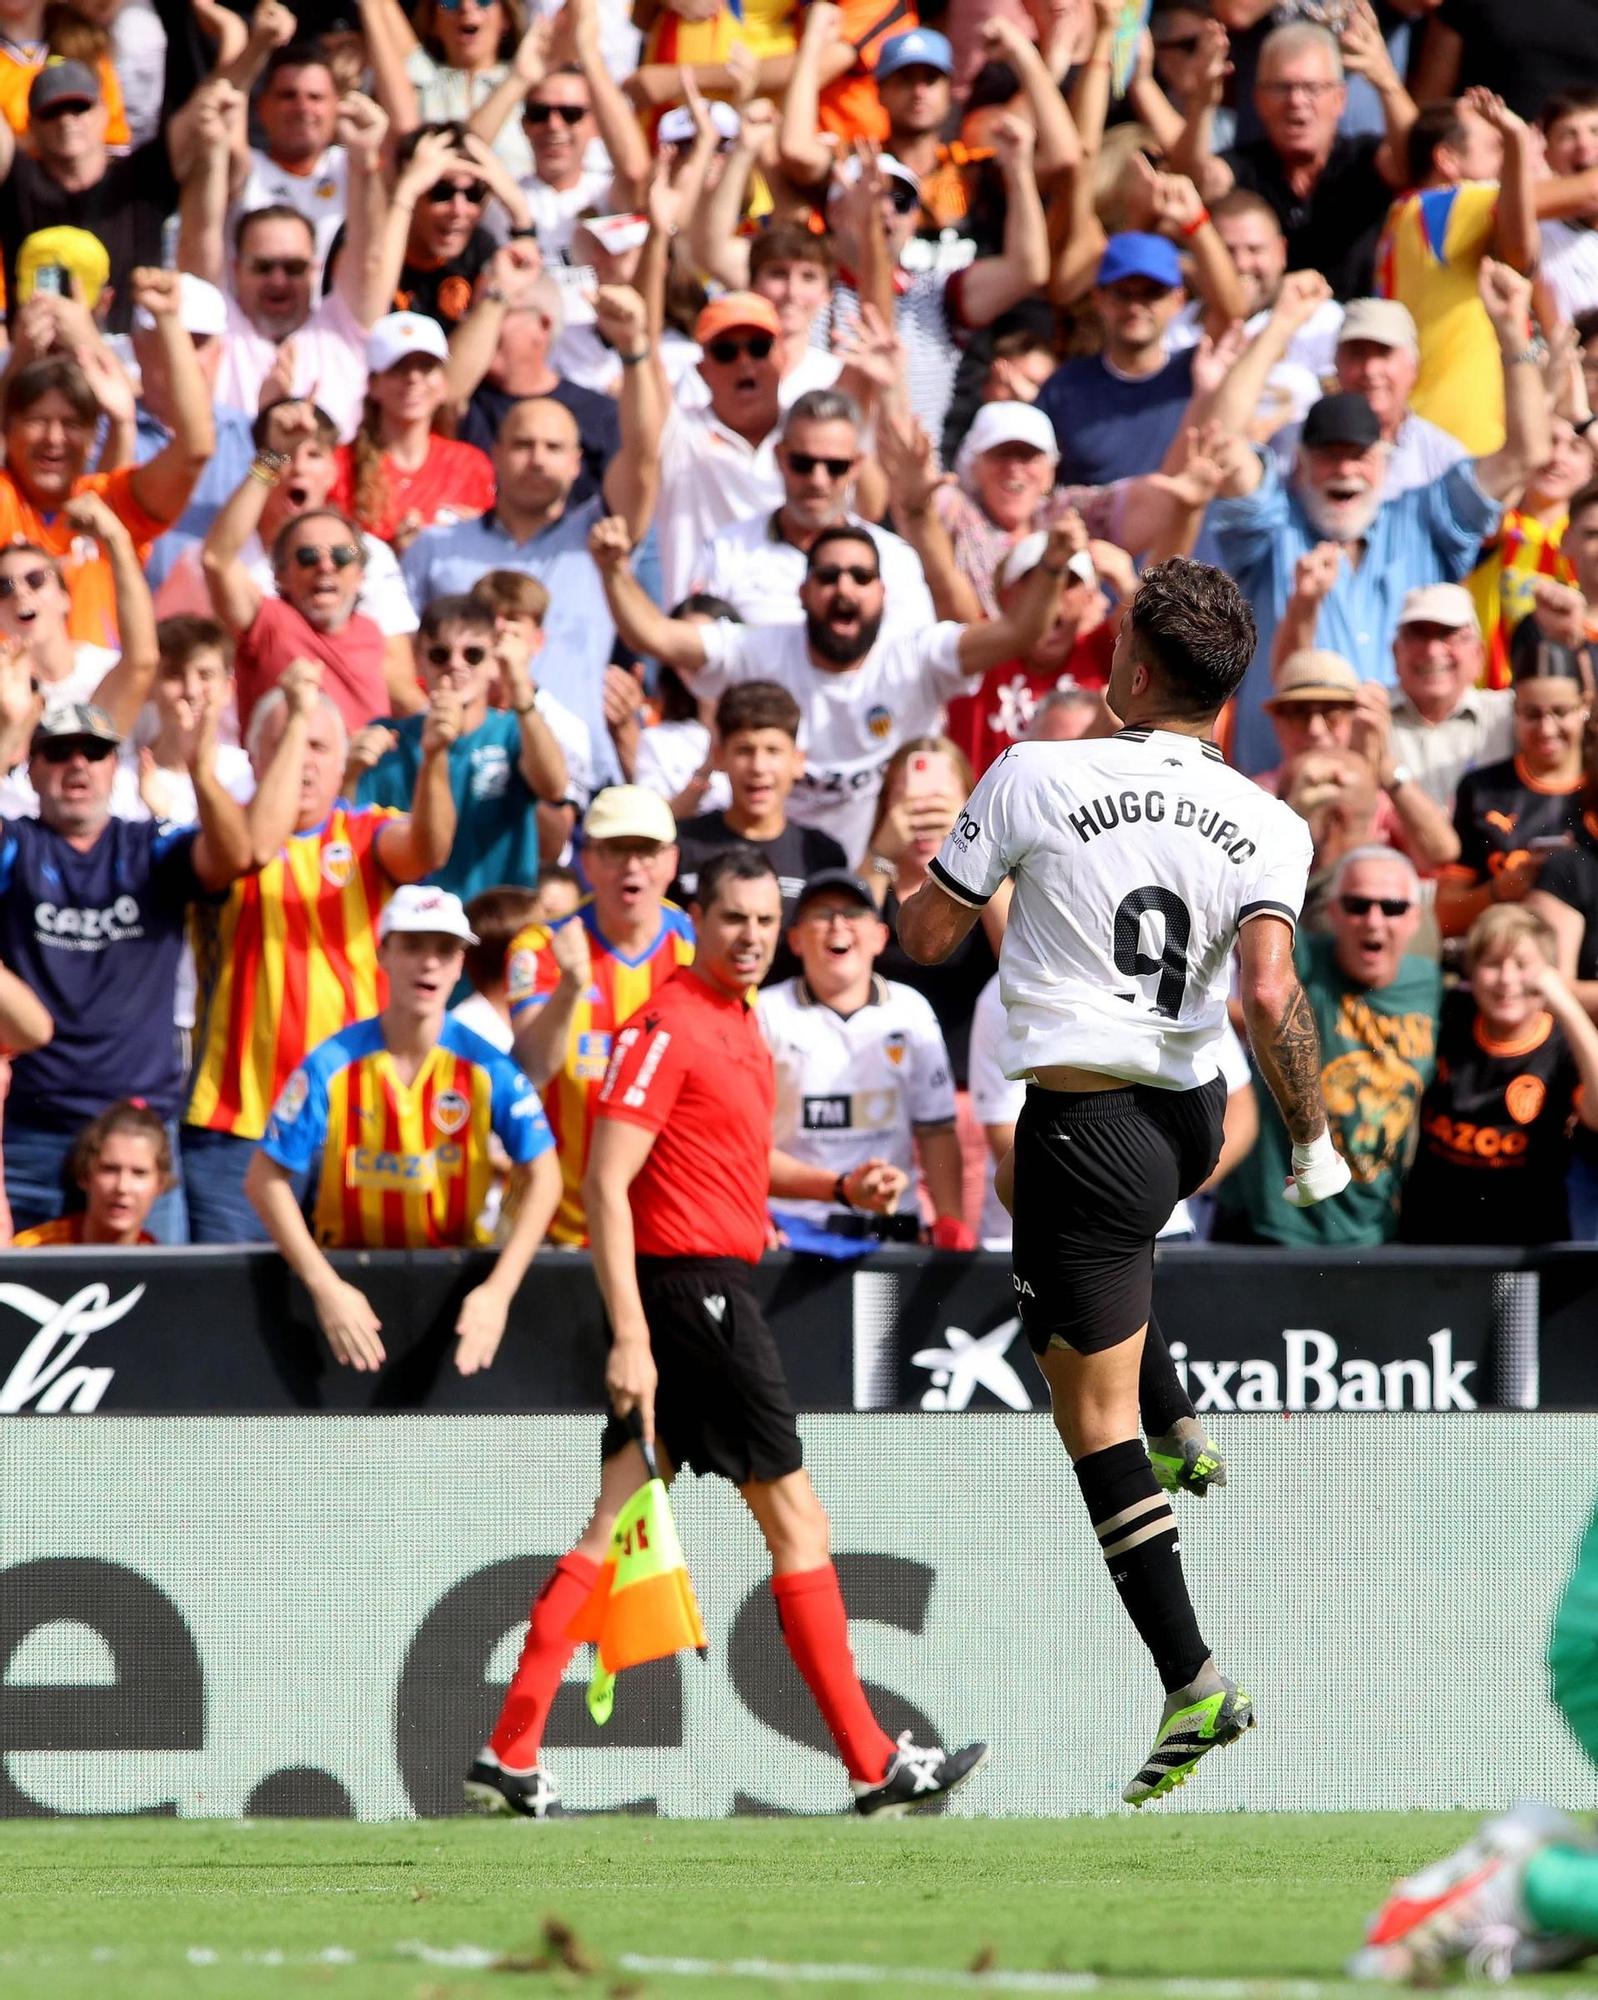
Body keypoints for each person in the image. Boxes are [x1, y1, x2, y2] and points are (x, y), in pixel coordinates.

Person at [895, 556, 1350, 1805]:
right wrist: (1308, 1136)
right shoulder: (1269, 818)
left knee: (1083, 1414)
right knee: (1082, 1296)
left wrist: (928, 863)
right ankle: (1183, 1419)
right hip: (1188, 1118)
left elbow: (926, 937)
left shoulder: (1035, 770)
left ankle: (1190, 1672)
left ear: (1132, 669)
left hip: (1081, 1124)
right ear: (1224, 692)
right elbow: (1267, 992)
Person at [469, 848, 986, 1820]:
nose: (748, 936)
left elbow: (736, 1164)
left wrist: (835, 1183)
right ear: (692, 919)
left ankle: (509, 1748)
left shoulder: (734, 1021)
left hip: (693, 1292)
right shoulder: (668, 1022)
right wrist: (629, 1332)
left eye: (760, 920)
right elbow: (602, 1184)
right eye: (731, 918)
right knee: (798, 1524)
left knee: (612, 1523)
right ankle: (871, 1760)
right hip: (690, 1300)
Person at [1208, 259, 1549, 775]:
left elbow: (1526, 454)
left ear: (1383, 463)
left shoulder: (1424, 518)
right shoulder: (1273, 528)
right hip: (1276, 792)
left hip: (1402, 795)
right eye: (1328, 454)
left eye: (1359, 455)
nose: (1343, 469)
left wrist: (1511, 331)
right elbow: (1220, 442)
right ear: (1299, 462)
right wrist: (1279, 325)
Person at [590, 514, 1077, 865]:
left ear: (883, 593)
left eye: (861, 576)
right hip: (776, 862)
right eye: (827, 576)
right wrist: (614, 570)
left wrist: (1054, 566)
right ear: (802, 592)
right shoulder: (759, 650)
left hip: (885, 870)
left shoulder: (916, 655)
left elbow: (1017, 634)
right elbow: (652, 635)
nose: (844, 589)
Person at [183, 660, 460, 1245]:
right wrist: (301, 709)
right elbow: (255, 847)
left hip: (352, 1124)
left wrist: (434, 759)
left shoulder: (366, 834)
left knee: (354, 1309)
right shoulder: (222, 839)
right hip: (237, 1125)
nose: (304, 759)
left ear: (343, 762)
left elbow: (430, 849)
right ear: (254, 757)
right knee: (231, 1315)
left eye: (317, 745)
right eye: (286, 741)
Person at [247, 884, 562, 1371]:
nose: (429, 964)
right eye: (413, 946)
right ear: (383, 954)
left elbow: (546, 1176)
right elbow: (265, 1180)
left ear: (461, 964)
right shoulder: (331, 1063)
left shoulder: (488, 1065)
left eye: (444, 950)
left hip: (455, 1289)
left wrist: (499, 1290)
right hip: (351, 1282)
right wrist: (324, 1285)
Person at [0, 694, 252, 1242]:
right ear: (33, 768)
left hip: (139, 1138)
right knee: (18, 1314)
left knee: (154, 1312)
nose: (78, 765)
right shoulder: (14, 846)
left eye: (94, 752)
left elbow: (235, 856)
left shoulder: (149, 845)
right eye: (59, 752)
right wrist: (7, 738)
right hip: (31, 1135)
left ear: (116, 766)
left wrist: (204, 774)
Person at [400, 283, 662, 793]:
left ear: (576, 461)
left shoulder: (601, 537)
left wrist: (634, 353)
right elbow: (398, 658)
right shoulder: (435, 546)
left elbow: (645, 457)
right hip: (459, 775)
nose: (537, 458)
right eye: (522, 445)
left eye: (552, 447)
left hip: (577, 780)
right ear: (493, 453)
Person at [1215, 845, 1439, 1250]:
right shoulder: (1297, 966)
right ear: (1332, 912)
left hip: (1375, 1230)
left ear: (1415, 917)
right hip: (1274, 1226)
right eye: (1356, 905)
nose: (1373, 921)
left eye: (1392, 906)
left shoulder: (1431, 986)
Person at [505, 784, 694, 1247]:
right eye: (615, 851)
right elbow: (532, 1067)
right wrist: (571, 987)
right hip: (558, 1232)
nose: (632, 866)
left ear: (671, 861)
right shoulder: (540, 948)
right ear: (587, 862)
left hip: (665, 1231)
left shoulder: (698, 946)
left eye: (646, 851)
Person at [0, 269, 213, 650]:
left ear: (90, 436)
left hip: (103, 703)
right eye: (36, 422)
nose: (54, 438)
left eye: (70, 424)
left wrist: (168, 321)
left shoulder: (109, 505)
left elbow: (194, 450)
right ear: (9, 429)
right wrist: (17, 361)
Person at [759, 868, 969, 1248]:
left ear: (880, 936)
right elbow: (747, 1140)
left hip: (892, 1231)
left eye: (854, 913)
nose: (838, 924)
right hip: (793, 1233)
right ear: (794, 939)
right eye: (821, 915)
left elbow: (936, 1129)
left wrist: (951, 1219)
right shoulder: (766, 1012)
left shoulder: (911, 1010)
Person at [1400, 905, 1598, 1245]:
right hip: (1432, 1233)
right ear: (1471, 972)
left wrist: (1566, 1004)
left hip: (1524, 1242)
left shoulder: (1563, 1044)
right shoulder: (1451, 1016)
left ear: (1548, 975)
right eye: (1492, 964)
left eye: (1523, 966)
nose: (1507, 980)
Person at [350, 592, 568, 899]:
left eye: (473, 654)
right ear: (418, 662)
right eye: (439, 655)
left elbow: (555, 787)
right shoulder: (388, 739)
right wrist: (349, 771)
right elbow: (350, 830)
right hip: (414, 929)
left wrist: (520, 690)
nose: (455, 665)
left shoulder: (512, 731)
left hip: (498, 924)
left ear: (494, 661)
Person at [1193, 16, 1418, 300]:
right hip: (1264, 331)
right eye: (1282, 88)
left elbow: (1415, 162)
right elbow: (1194, 182)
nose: (1297, 101)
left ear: (1339, 99)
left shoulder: (1363, 158)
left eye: (1312, 89)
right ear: (1258, 100)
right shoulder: (1243, 164)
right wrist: (1199, 107)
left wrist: (1388, 84)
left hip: (1357, 332)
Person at [687, 390, 934, 632]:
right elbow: (694, 654)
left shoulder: (894, 559)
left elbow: (912, 660)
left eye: (835, 466)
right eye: (802, 464)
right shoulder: (726, 551)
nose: (818, 480)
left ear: (856, 466)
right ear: (780, 457)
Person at [1376, 88, 1537, 456]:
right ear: (1447, 159)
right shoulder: (1451, 203)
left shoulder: (1408, 211)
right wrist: (1518, 142)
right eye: (1495, 148)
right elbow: (1521, 252)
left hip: (1425, 426)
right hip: (1462, 436)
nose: (1505, 164)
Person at [671, 680, 847, 987]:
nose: (758, 766)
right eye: (744, 750)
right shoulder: (683, 845)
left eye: (773, 750)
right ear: (720, 756)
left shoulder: (822, 853)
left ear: (798, 761)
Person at [1436, 626, 1591, 937]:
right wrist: (1496, 891)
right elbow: (1444, 916)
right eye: (1532, 714)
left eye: (1560, 712)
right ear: (1514, 712)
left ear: (1584, 707)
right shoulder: (1482, 789)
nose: (1547, 729)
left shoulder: (1595, 788)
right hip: (1501, 960)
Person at [332, 313, 496, 550]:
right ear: (373, 385)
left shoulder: (471, 464)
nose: (413, 378)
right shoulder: (341, 464)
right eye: (398, 369)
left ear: (443, 383)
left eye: (426, 367)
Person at [1386, 584, 1515, 812]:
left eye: (1449, 634)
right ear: (1396, 652)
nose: (1433, 651)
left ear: (1479, 654)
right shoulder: (1368, 719)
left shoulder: (1510, 715)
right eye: (1418, 635)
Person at [232, 40, 350, 274]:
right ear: (261, 107)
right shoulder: (243, 169)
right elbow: (224, 115)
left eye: (315, 97)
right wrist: (252, 42)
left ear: (337, 106)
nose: (302, 108)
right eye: (288, 96)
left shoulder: (353, 167)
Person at [12, 1098, 170, 1248]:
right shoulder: (34, 1250)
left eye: (139, 1173)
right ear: (85, 1175)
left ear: (160, 1184)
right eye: (110, 1169)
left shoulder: (164, 1267)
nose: (122, 1187)